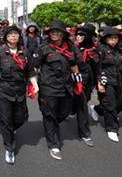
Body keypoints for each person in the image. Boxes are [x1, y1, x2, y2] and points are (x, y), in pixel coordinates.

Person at [0, 25, 38, 165]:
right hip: (3, 90)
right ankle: (9, 147)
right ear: (6, 37)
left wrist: (35, 85)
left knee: (21, 118)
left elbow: (30, 71)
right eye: (10, 34)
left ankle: (10, 130)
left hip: (19, 91)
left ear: (19, 37)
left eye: (16, 34)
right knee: (6, 118)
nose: (13, 36)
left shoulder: (25, 52)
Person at [34, 19, 82, 160]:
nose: (54, 34)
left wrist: (78, 81)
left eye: (57, 32)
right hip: (48, 87)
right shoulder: (43, 48)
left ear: (62, 34)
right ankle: (53, 143)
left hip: (66, 86)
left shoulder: (70, 47)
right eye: (52, 32)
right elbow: (35, 66)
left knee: (65, 112)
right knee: (49, 114)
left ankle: (51, 126)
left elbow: (73, 65)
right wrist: (33, 84)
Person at [96, 27, 122, 142]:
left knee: (118, 102)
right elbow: (97, 68)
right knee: (110, 105)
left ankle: (97, 109)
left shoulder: (119, 51)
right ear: (105, 39)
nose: (113, 40)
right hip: (106, 81)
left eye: (115, 37)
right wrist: (100, 83)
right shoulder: (101, 50)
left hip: (118, 81)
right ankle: (112, 129)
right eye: (111, 37)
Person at [73, 23, 98, 147]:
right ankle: (85, 133)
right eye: (77, 34)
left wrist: (98, 81)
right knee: (80, 106)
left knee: (83, 102)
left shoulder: (95, 49)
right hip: (74, 81)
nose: (78, 36)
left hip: (88, 82)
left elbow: (98, 67)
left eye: (81, 35)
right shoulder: (72, 48)